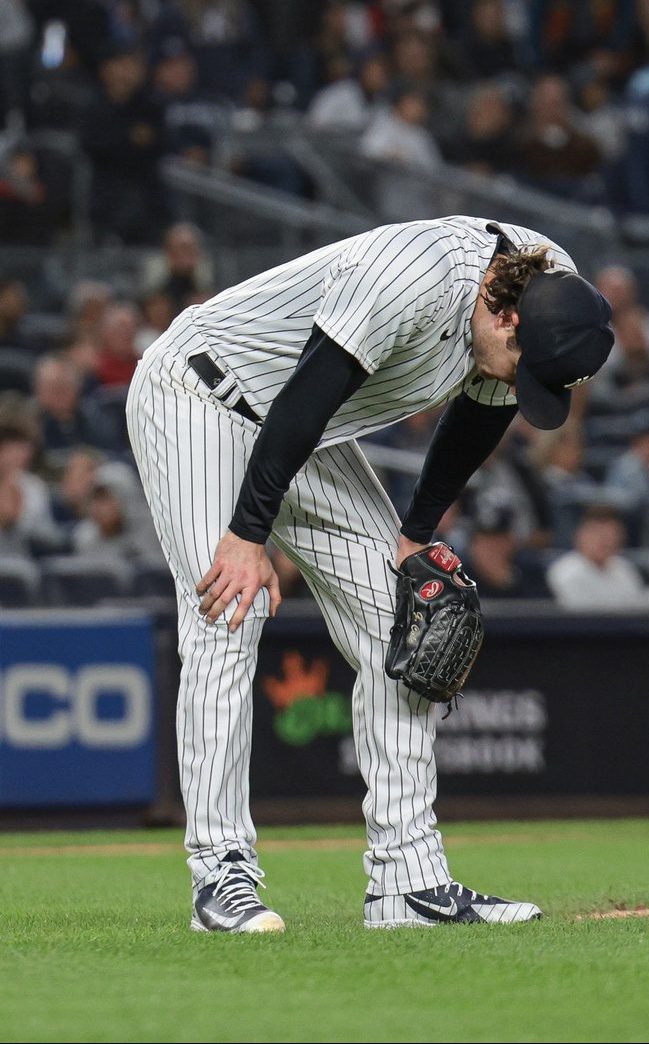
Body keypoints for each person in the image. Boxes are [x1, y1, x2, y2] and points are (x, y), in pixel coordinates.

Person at [126, 216, 613, 933]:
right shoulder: (412, 274)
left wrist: (414, 536)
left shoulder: (548, 288)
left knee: (408, 624)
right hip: (203, 394)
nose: (520, 383)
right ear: (503, 314)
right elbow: (306, 395)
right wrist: (246, 534)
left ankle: (407, 883)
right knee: (229, 610)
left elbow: (478, 419)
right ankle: (221, 875)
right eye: (522, 364)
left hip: (308, 430)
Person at [546, 504, 649, 609]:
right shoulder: (566, 572)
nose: (604, 541)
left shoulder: (624, 568)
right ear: (580, 536)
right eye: (597, 533)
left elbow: (638, 608)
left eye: (610, 535)